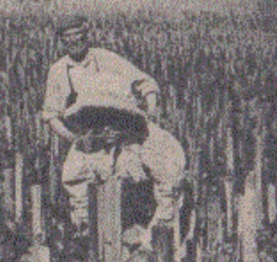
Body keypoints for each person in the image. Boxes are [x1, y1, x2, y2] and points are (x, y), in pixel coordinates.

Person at [41, 16, 177, 230]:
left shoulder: (106, 59)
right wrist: (78, 139)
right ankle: (87, 232)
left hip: (125, 128)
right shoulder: (58, 71)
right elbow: (50, 116)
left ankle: (158, 228)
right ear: (61, 41)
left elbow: (145, 83)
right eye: (68, 38)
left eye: (79, 36)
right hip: (90, 134)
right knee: (76, 177)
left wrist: (148, 114)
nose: (75, 42)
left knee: (161, 163)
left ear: (87, 36)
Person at [56, 91, 187, 247]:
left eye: (115, 119)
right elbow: (78, 193)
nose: (107, 128)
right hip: (116, 213)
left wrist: (147, 239)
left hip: (155, 211)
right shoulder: (84, 148)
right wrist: (90, 230)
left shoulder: (159, 145)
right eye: (100, 121)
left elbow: (169, 200)